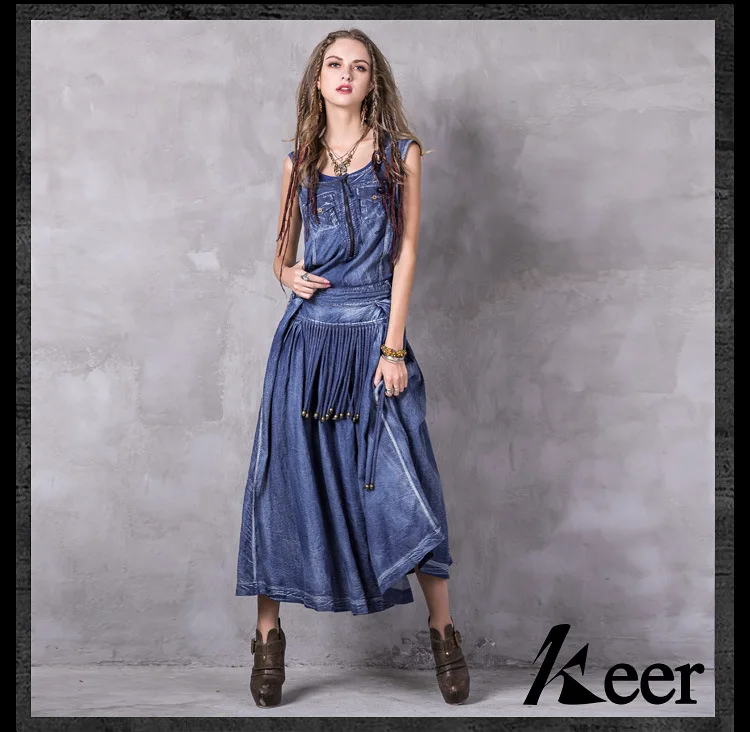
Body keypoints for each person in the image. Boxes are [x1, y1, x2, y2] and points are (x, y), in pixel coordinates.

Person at [235, 28, 469, 708]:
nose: (345, 74)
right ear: (318, 79)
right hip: (306, 342)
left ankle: (444, 633)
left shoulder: (400, 155)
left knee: (405, 478)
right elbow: (281, 254)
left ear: (373, 82)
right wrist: (286, 273)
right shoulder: (299, 163)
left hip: (372, 335)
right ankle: (268, 639)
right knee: (284, 482)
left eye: (359, 67)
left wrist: (393, 348)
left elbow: (406, 253)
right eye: (334, 64)